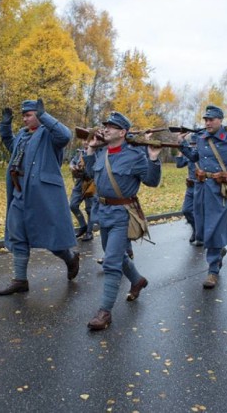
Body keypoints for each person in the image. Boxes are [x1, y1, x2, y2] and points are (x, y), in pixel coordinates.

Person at [84, 111, 162, 330]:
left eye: (111, 126)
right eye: (105, 125)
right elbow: (91, 173)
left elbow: (152, 181)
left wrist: (153, 158)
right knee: (114, 254)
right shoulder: (102, 153)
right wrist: (90, 149)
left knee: (111, 262)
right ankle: (137, 280)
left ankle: (104, 313)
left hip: (121, 215)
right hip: (103, 212)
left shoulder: (136, 155)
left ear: (123, 132)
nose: (106, 129)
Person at [0, 99, 79, 296]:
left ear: (39, 115)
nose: (24, 119)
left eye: (29, 115)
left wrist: (45, 116)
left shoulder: (50, 135)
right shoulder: (22, 136)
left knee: (52, 240)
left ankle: (70, 258)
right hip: (19, 192)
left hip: (43, 195)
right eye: (23, 116)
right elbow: (9, 143)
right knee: (17, 234)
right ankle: (20, 280)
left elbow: (65, 135)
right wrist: (5, 125)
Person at [178, 105, 227, 289]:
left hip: (221, 191)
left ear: (220, 120)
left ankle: (212, 270)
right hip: (201, 188)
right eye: (205, 119)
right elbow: (194, 156)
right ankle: (218, 248)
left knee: (214, 228)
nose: (207, 123)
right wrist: (182, 144)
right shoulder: (201, 138)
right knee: (200, 229)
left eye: (211, 119)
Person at [175, 134, 201, 245]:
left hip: (202, 186)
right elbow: (179, 164)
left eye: (195, 144)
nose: (193, 147)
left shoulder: (204, 154)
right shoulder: (189, 153)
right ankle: (196, 230)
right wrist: (181, 150)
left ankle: (201, 235)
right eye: (192, 144)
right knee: (186, 210)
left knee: (201, 212)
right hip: (190, 186)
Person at [69, 141, 95, 241]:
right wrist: (73, 167)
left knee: (89, 209)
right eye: (85, 140)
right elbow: (73, 162)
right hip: (79, 183)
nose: (86, 142)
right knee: (73, 205)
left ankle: (89, 232)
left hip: (91, 184)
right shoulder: (80, 152)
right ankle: (83, 225)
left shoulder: (96, 152)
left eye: (89, 140)